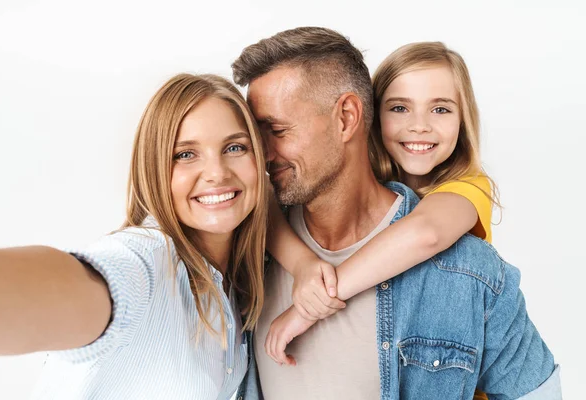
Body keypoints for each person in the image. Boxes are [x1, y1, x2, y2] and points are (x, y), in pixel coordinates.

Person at [232, 27, 561, 400]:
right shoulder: (247, 251)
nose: (261, 152)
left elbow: (426, 233)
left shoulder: (469, 265)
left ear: (347, 117)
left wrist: (313, 302)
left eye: (277, 130)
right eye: (400, 108)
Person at [0, 73, 268, 400]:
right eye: (185, 154)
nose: (218, 173)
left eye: (234, 147)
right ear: (154, 169)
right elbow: (78, 286)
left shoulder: (238, 287)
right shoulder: (147, 261)